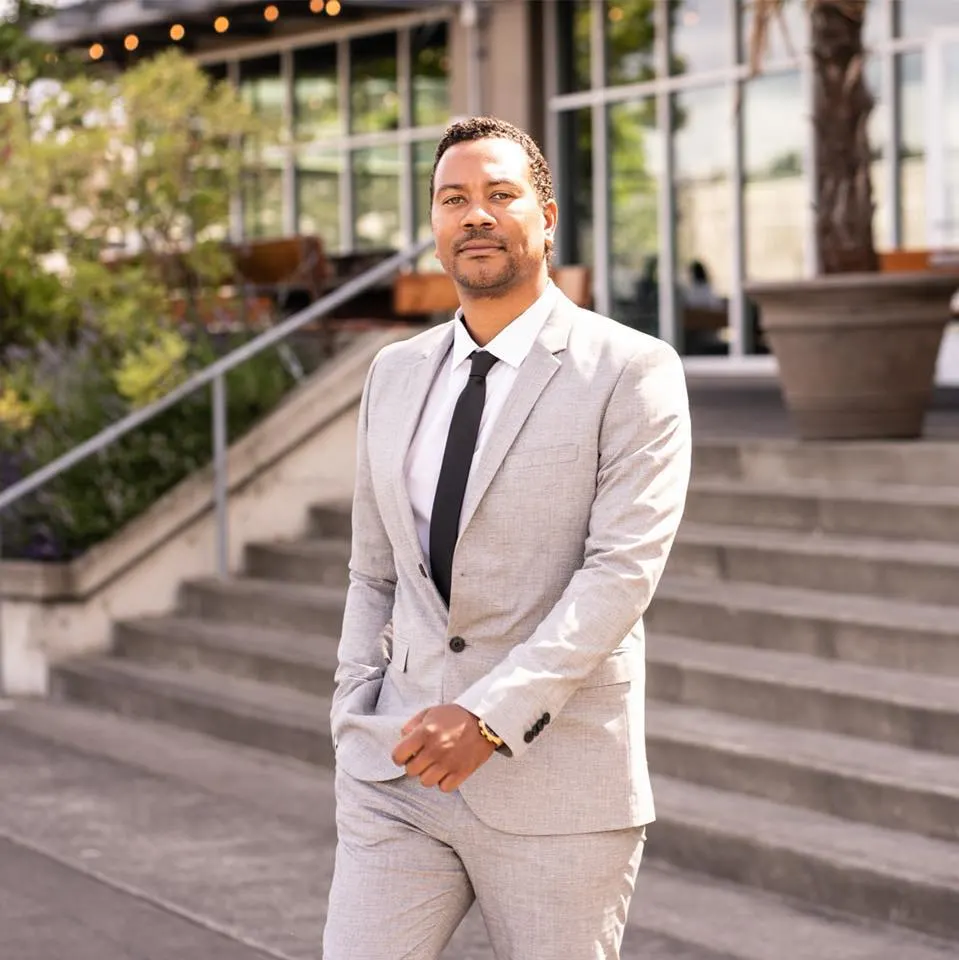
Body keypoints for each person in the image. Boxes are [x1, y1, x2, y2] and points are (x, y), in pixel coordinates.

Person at [324, 116, 692, 960]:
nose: (475, 215)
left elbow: (618, 576)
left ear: (547, 216)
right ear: (434, 224)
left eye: (499, 195)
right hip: (397, 769)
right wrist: (353, 709)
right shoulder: (395, 371)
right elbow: (371, 569)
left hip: (555, 781)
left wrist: (488, 719)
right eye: (454, 199)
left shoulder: (630, 370)